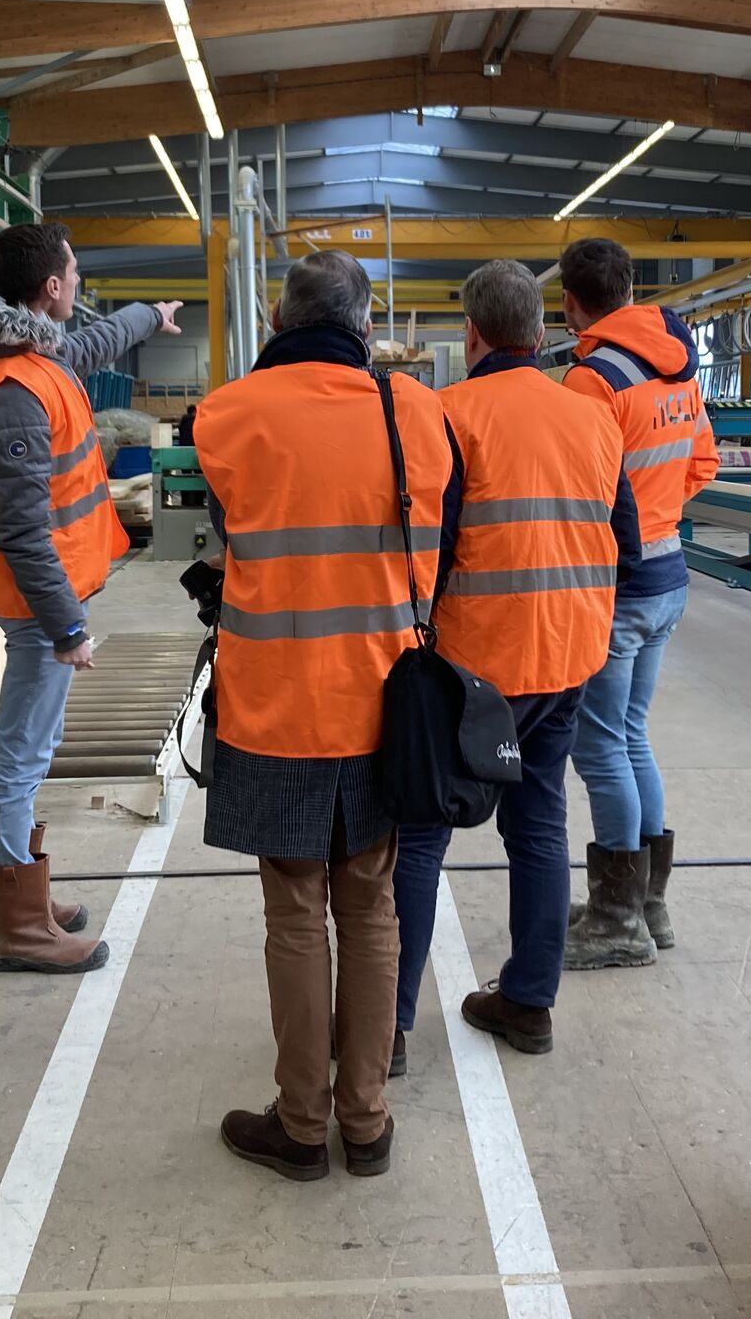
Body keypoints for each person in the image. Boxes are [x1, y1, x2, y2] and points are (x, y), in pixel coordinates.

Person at [196, 250, 461, 1183]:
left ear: (280, 315)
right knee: (374, 904)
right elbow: (440, 538)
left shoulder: (227, 413)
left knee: (295, 912)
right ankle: (369, 1120)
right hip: (387, 700)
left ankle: (302, 1126)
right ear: (365, 321)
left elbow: (236, 528)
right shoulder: (415, 410)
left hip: (274, 702)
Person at [390, 260, 638, 1065]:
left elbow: (430, 544)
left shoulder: (448, 414)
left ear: (471, 335)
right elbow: (626, 543)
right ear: (541, 334)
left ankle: (386, 1027)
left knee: (422, 834)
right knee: (538, 826)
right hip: (568, 655)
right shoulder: (594, 417)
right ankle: (530, 1003)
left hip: (475, 665)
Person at [0, 221, 181, 976]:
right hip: (37, 602)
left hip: (43, 597)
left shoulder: (28, 351)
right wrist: (66, 624)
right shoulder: (11, 392)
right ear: (52, 288)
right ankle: (19, 924)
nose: (77, 284)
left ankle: (5, 892)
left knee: (26, 750)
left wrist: (150, 317)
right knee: (22, 755)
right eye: (73, 274)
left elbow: (93, 344)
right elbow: (23, 530)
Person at [556, 236, 718, 970]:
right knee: (632, 735)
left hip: (617, 587)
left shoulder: (593, 381)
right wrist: (658, 515)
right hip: (670, 574)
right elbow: (703, 462)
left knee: (599, 749)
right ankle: (649, 904)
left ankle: (618, 919)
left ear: (570, 302)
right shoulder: (680, 366)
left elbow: (577, 491)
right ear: (628, 288)